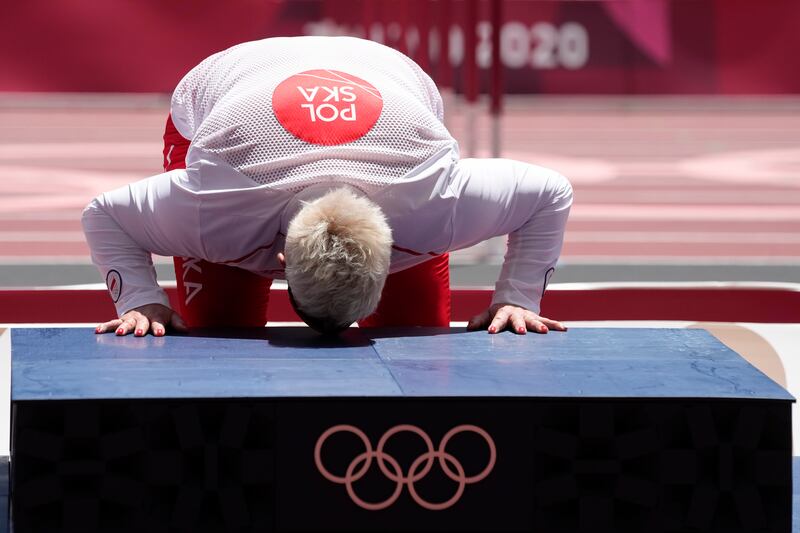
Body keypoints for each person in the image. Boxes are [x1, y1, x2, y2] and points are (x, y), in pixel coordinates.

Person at [82, 36, 573, 336]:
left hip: (384, 83)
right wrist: (139, 300)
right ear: (279, 261)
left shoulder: (432, 203)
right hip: (223, 93)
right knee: (220, 328)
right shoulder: (214, 208)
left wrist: (519, 297)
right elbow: (104, 215)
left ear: (390, 254)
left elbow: (551, 194)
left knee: (418, 333)